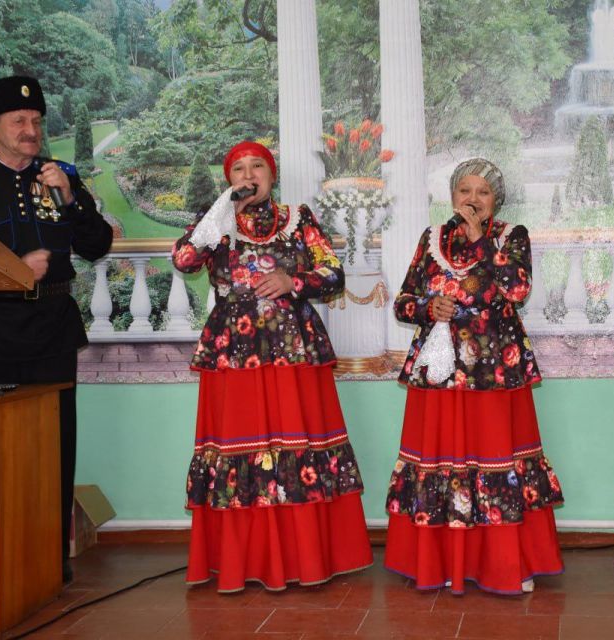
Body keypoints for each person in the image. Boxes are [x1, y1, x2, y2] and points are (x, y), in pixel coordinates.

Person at [0, 75, 114, 583]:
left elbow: (96, 245)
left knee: (55, 448)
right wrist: (15, 269)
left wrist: (71, 200)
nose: (30, 130)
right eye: (19, 122)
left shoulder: (63, 175)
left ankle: (48, 559)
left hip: (52, 327)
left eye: (36, 121)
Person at [173, 140, 373, 592]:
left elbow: (332, 274)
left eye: (256, 166)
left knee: (296, 449)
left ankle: (304, 558)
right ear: (229, 180)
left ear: (271, 173)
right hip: (234, 355)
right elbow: (184, 259)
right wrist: (218, 212)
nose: (248, 175)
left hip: (293, 351)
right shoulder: (217, 223)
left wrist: (292, 281)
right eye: (238, 169)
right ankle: (245, 562)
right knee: (241, 450)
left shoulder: (298, 218)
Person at [384, 157, 564, 594]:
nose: (472, 199)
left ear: (495, 200)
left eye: (482, 192)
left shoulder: (510, 236)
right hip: (440, 374)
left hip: (493, 373)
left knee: (494, 461)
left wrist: (481, 239)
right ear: (452, 196)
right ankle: (439, 562)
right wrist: (428, 308)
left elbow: (516, 288)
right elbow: (403, 300)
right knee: (440, 461)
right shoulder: (431, 240)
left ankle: (503, 564)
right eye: (465, 191)